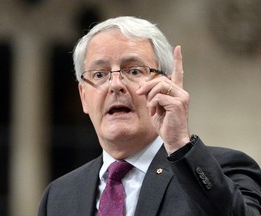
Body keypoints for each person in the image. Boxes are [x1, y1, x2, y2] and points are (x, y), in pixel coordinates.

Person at [38, 16, 261, 216]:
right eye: (99, 74)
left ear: (167, 86)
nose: (115, 85)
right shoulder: (59, 196)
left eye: (134, 71)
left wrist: (179, 145)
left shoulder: (222, 170)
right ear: (84, 97)